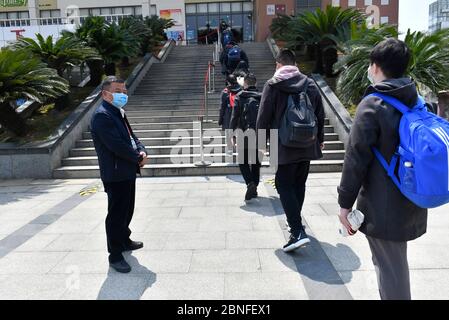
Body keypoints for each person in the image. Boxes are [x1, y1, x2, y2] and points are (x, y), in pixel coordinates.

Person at [337, 38, 428, 300]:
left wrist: (345, 204)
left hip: (383, 205)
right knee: (392, 265)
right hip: (411, 198)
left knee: (390, 270)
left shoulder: (373, 104)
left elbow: (356, 157)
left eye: (370, 65)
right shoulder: (417, 100)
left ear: (376, 66)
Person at [257, 49, 325, 253]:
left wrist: (261, 143)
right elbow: (320, 114)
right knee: (298, 183)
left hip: (283, 144)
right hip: (307, 141)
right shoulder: (310, 83)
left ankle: (297, 230)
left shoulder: (273, 84)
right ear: (295, 64)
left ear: (278, 64)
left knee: (282, 183)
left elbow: (263, 115)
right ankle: (295, 223)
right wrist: (319, 140)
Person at [90, 76, 149, 273]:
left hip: (127, 171)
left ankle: (124, 239)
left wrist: (142, 150)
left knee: (127, 209)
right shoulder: (102, 116)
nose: (122, 94)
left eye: (124, 90)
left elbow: (132, 137)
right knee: (116, 215)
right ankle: (115, 255)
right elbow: (116, 145)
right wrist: (136, 157)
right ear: (105, 94)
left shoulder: (118, 112)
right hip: (115, 173)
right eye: (118, 90)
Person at [230, 73, 262, 201]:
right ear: (256, 83)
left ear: (245, 84)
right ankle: (254, 187)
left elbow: (235, 116)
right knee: (256, 162)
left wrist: (232, 134)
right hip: (260, 133)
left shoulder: (240, 96)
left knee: (243, 161)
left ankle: (250, 183)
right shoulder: (262, 96)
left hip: (244, 133)